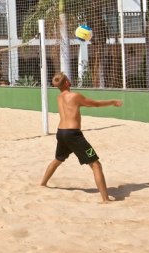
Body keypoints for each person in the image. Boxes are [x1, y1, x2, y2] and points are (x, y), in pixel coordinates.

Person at [40, 72, 123, 203]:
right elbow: (95, 104)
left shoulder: (59, 97)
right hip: (73, 135)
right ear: (66, 82)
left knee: (58, 159)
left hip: (61, 132)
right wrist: (112, 102)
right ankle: (105, 199)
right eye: (68, 78)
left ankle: (43, 183)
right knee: (96, 165)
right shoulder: (75, 96)